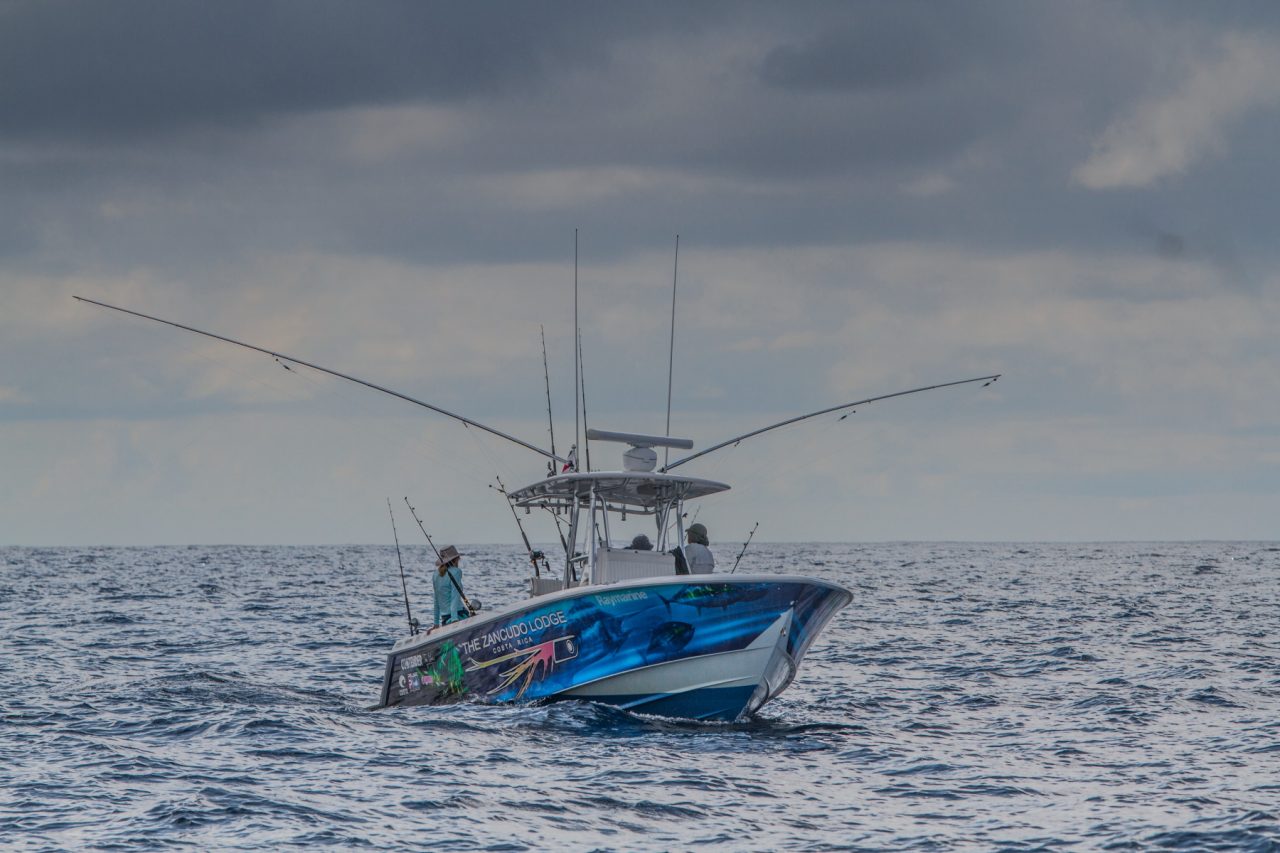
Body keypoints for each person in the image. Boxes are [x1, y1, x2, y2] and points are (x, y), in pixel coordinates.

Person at [432, 545, 471, 627]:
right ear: (456, 559)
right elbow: (455, 596)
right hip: (458, 615)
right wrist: (454, 620)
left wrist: (436, 624)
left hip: (445, 619)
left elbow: (436, 600)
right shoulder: (456, 572)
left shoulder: (435, 575)